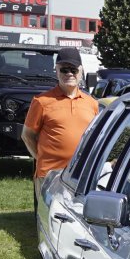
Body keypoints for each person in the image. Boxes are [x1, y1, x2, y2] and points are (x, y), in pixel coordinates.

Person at [22, 46, 99, 207]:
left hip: (80, 175)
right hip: (50, 175)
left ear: (81, 71)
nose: (69, 74)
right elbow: (27, 135)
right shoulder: (41, 101)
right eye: (64, 70)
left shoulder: (91, 103)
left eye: (73, 69)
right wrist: (41, 158)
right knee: (48, 221)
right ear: (56, 71)